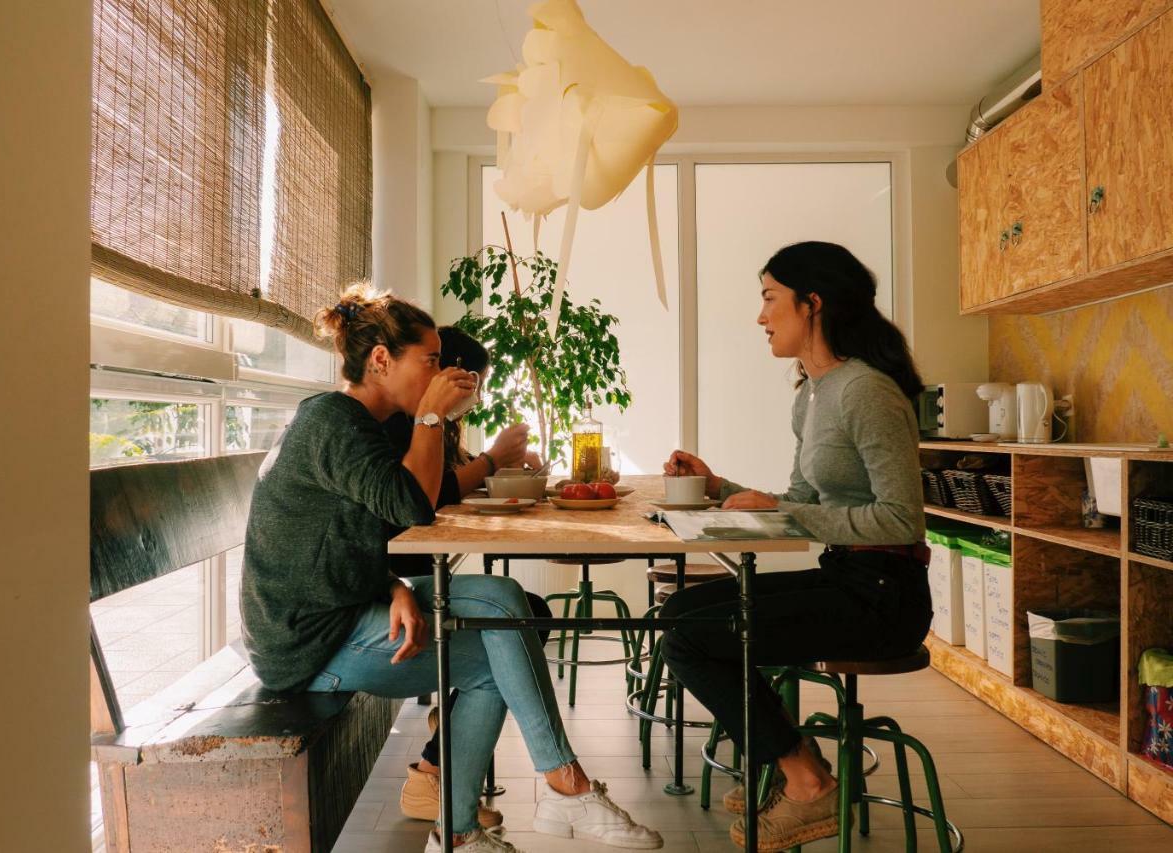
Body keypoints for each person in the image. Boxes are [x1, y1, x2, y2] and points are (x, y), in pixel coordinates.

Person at [240, 283, 662, 853]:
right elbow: (413, 504)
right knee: (503, 633)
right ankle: (563, 787)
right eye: (432, 360)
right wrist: (434, 415)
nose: (442, 373)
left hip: (339, 610)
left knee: (504, 603)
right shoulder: (332, 422)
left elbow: (345, 536)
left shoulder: (351, 423)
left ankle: (469, 826)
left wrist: (390, 585)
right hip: (309, 643)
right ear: (382, 360)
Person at [660, 241, 931, 851]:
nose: (760, 317)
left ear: (813, 304)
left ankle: (806, 781)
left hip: (885, 597)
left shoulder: (867, 392)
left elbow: (900, 519)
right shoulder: (811, 394)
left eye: (769, 298)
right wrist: (715, 485)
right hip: (845, 577)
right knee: (678, 613)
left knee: (688, 639)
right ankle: (792, 754)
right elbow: (799, 502)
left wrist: (784, 509)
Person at [384, 325, 554, 830]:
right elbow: (427, 499)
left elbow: (450, 487)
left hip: (405, 575)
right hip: (396, 581)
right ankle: (431, 772)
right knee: (524, 619)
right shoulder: (404, 422)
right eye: (473, 383)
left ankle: (447, 742)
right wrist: (493, 461)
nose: (476, 397)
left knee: (524, 614)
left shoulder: (429, 423)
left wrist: (505, 469)